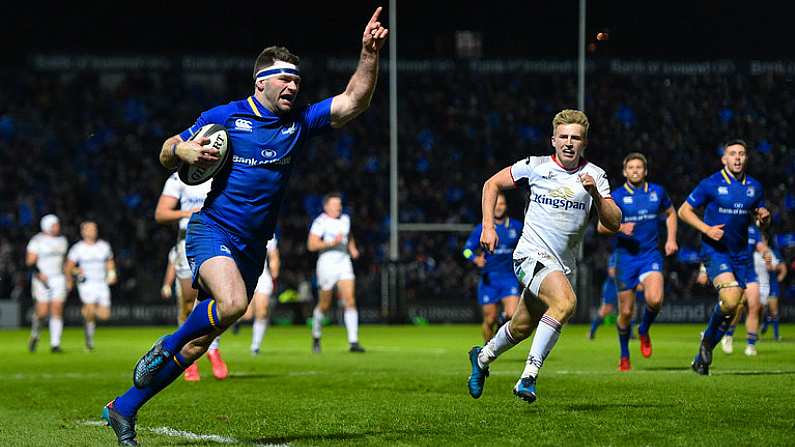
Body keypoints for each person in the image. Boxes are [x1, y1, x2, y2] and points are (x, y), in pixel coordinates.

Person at [102, 9, 388, 446]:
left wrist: (368, 54)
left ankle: (122, 408)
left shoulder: (299, 121)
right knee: (233, 305)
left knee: (198, 346)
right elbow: (164, 152)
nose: (294, 87)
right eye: (284, 80)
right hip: (212, 229)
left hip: (253, 247)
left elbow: (354, 101)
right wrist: (184, 150)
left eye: (297, 81)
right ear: (261, 83)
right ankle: (165, 343)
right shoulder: (224, 117)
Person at [467, 109, 621, 404]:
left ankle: (482, 357)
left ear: (584, 143)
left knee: (520, 327)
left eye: (575, 138)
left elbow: (613, 223)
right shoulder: (535, 166)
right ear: (553, 140)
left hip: (562, 265)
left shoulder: (596, 176)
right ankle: (528, 376)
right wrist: (488, 225)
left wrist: (597, 197)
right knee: (565, 303)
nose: (568, 142)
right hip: (529, 255)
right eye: (563, 136)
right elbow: (491, 184)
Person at [678, 139, 769, 375]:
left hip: (741, 254)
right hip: (715, 250)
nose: (737, 158)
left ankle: (701, 358)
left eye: (741, 154)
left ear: (746, 158)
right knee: (730, 300)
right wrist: (706, 229)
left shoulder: (755, 187)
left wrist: (764, 219)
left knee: (733, 308)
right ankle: (708, 341)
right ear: (724, 159)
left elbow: (760, 220)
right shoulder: (711, 184)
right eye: (732, 154)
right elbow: (683, 211)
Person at [598, 153, 678, 371]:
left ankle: (643, 330)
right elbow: (600, 226)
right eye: (631, 167)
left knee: (655, 300)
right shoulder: (616, 196)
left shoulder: (657, 192)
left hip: (650, 256)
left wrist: (671, 239)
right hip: (626, 260)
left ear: (645, 171)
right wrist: (621, 227)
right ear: (625, 172)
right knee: (625, 313)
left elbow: (671, 213)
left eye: (639, 167)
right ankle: (624, 355)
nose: (635, 171)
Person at [155, 172, 228, 381]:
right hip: (187, 242)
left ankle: (213, 349)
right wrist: (188, 212)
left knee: (217, 300)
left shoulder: (222, 172)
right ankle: (188, 357)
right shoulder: (179, 178)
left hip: (216, 239)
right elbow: (161, 213)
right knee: (188, 303)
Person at [307, 193, 364, 353]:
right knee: (324, 304)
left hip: (344, 262)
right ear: (326, 206)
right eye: (334, 204)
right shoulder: (320, 222)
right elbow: (311, 245)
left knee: (350, 300)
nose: (338, 207)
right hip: (327, 263)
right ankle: (316, 335)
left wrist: (352, 248)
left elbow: (348, 234)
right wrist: (332, 242)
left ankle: (353, 341)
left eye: (339, 204)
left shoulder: (345, 219)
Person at [462, 192, 522, 342]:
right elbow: (466, 250)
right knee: (490, 319)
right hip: (489, 279)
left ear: (506, 206)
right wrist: (475, 258)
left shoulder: (516, 226)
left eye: (501, 204)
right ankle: (487, 349)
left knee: (512, 314)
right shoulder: (483, 228)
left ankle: (501, 328)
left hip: (509, 277)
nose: (498, 207)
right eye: (495, 204)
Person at [64, 221, 116, 351]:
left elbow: (109, 262)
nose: (93, 231)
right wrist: (73, 275)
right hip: (86, 283)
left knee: (105, 315)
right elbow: (68, 267)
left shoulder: (104, 246)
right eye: (90, 229)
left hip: (102, 283)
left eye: (95, 228)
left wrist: (112, 274)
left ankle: (86, 314)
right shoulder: (78, 248)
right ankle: (89, 341)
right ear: (83, 232)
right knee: (90, 308)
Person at [26, 214, 68, 353]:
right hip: (41, 279)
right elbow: (30, 261)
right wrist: (39, 273)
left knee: (57, 308)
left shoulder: (62, 240)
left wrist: (68, 277)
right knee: (42, 312)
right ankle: (35, 334)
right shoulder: (37, 241)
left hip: (58, 278)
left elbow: (64, 261)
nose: (57, 227)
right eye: (54, 225)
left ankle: (55, 344)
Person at [240, 236, 280, 355]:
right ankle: (236, 323)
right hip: (244, 275)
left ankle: (255, 347)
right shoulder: (241, 228)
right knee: (246, 315)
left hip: (263, 276)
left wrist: (274, 274)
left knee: (262, 311)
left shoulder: (268, 234)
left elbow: (273, 255)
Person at [753, 230, 786, 342]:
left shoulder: (771, 253)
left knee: (773, 310)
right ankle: (760, 328)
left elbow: (781, 267)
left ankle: (775, 335)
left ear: (766, 241)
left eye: (762, 240)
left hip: (771, 284)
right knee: (759, 309)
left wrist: (778, 277)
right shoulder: (753, 254)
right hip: (757, 285)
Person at [588, 253, 618, 340]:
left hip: (624, 285)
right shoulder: (615, 255)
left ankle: (630, 334)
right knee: (606, 310)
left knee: (629, 308)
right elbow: (612, 273)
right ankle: (592, 331)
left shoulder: (629, 256)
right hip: (612, 287)